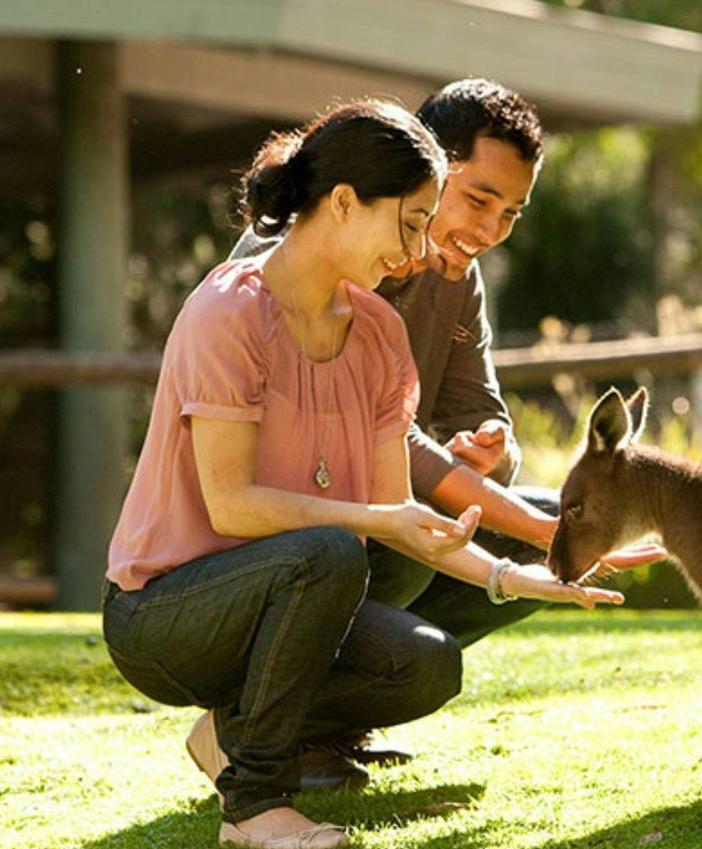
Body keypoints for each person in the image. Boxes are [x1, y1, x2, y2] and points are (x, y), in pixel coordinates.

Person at [102, 100, 623, 849]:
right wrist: (377, 522)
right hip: (167, 612)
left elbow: (399, 508)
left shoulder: (377, 332)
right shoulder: (228, 312)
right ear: (344, 203)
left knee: (426, 662)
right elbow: (233, 506)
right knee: (333, 550)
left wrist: (511, 576)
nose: (417, 250)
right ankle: (253, 806)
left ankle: (237, 734)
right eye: (410, 224)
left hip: (293, 577)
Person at [229, 80, 665, 783]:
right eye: (478, 200)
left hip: (369, 518)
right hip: (274, 544)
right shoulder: (311, 258)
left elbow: (474, 416)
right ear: (428, 166)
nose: (490, 230)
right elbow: (388, 446)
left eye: (511, 213)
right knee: (433, 538)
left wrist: (492, 451)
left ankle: (318, 724)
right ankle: (253, 717)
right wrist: (532, 526)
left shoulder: (458, 277)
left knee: (511, 530)